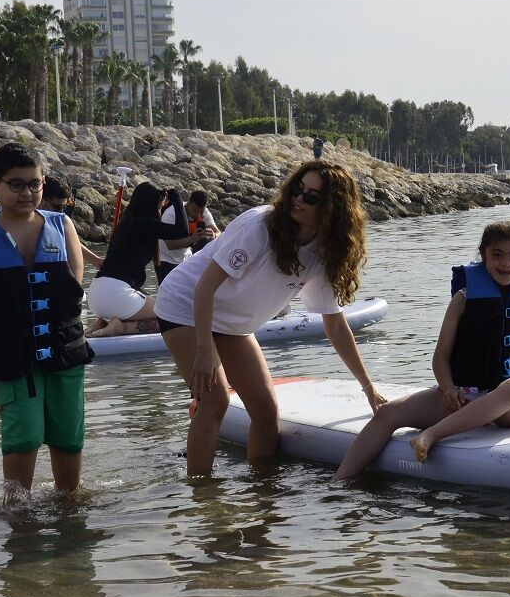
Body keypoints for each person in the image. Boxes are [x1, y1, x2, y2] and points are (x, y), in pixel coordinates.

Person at [154, 159, 386, 476]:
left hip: (233, 324)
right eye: (298, 190)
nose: (299, 199)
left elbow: (334, 323)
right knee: (215, 400)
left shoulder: (322, 253)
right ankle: (203, 499)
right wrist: (206, 352)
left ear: (333, 209)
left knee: (266, 413)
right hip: (184, 305)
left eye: (311, 196)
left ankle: (263, 496)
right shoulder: (259, 226)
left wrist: (368, 386)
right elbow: (205, 288)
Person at [335, 220, 510, 480]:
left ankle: (430, 435)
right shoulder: (463, 298)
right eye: (497, 255)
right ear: (483, 256)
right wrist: (447, 388)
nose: (507, 263)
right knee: (387, 413)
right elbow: (441, 356)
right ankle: (340, 483)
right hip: (466, 396)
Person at [0, 142, 93, 495]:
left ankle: (70, 509)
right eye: (16, 184)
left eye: (34, 184)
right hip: (11, 353)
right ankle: (19, 520)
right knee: (24, 435)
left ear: (43, 182)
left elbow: (73, 289)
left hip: (63, 348)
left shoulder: (62, 225)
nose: (28, 192)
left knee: (68, 433)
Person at [85, 182, 187, 337]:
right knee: (172, 317)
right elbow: (182, 231)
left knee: (153, 304)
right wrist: (177, 199)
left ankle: (103, 321)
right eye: (160, 205)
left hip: (96, 294)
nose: (160, 209)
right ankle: (119, 328)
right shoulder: (144, 223)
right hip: (116, 295)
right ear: (152, 204)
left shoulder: (125, 223)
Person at [39, 175, 104, 269]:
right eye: (58, 207)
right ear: (41, 200)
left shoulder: (56, 220)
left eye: (64, 207)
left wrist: (96, 260)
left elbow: (69, 240)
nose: (61, 213)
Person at [155, 190, 218, 284]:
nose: (198, 215)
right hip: (166, 259)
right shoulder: (171, 213)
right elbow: (170, 245)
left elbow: (218, 232)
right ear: (189, 203)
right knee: (167, 293)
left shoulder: (204, 212)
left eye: (201, 212)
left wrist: (213, 235)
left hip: (186, 258)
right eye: (195, 211)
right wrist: (193, 238)